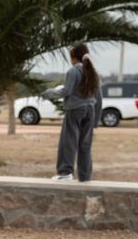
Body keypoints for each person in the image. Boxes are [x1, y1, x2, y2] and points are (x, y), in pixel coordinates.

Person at [42, 42, 102, 182]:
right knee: (85, 144)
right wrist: (96, 120)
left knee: (68, 141)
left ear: (74, 58)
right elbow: (99, 97)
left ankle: (65, 173)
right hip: (90, 111)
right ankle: (85, 176)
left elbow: (66, 91)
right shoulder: (94, 72)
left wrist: (48, 93)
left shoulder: (73, 71)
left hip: (75, 110)